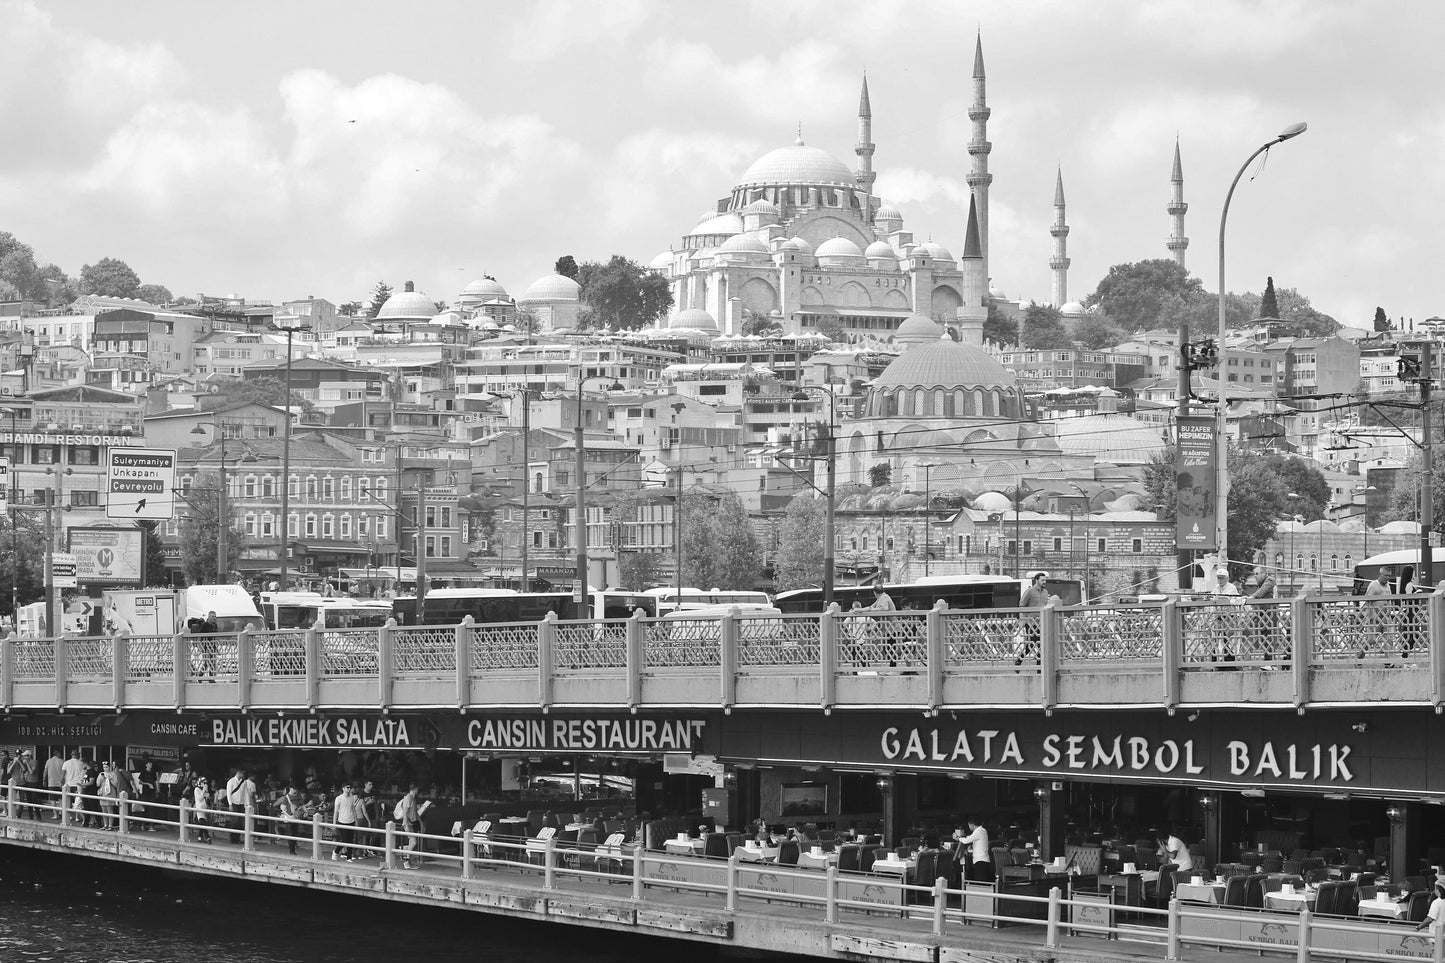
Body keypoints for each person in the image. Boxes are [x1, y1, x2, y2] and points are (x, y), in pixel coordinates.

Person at [1016, 572, 1056, 668]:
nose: (1044, 582)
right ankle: (1021, 660)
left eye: (1045, 580)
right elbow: (1022, 605)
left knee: (1040, 645)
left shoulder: (1045, 592)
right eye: (1042, 580)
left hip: (1042, 622)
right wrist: (1022, 621)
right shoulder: (1030, 591)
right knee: (1033, 644)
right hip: (1030, 623)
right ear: (1036, 580)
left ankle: (1038, 668)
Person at [955, 815, 993, 883]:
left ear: (972, 824)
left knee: (980, 884)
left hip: (981, 861)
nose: (969, 827)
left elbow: (967, 840)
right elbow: (979, 847)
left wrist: (958, 838)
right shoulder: (982, 831)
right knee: (982, 883)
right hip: (983, 860)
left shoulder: (978, 831)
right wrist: (969, 851)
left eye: (969, 825)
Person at [332, 784, 364, 860]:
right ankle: (336, 851)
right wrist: (334, 823)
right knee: (344, 840)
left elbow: (353, 810)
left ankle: (349, 857)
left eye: (350, 787)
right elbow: (336, 812)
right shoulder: (338, 798)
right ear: (343, 788)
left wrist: (356, 821)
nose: (349, 789)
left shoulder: (352, 798)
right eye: (347, 787)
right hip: (342, 821)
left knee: (350, 840)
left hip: (351, 821)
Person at [277, 785, 305, 855]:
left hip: (295, 817)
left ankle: (293, 850)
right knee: (290, 833)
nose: (295, 790)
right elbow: (283, 808)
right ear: (290, 788)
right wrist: (288, 816)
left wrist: (305, 811)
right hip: (289, 818)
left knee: (295, 833)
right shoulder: (286, 797)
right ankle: (291, 851)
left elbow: (302, 805)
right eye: (294, 789)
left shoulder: (298, 796)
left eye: (296, 789)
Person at [43, 750, 64, 820]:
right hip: (60, 783)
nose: (61, 754)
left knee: (53, 800)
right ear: (57, 753)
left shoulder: (48, 761)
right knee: (61, 799)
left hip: (51, 783)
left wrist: (44, 780)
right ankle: (62, 813)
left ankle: (55, 814)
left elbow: (45, 771)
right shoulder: (62, 761)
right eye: (60, 753)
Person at [192, 777, 213, 843]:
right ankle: (208, 838)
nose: (205, 784)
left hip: (204, 808)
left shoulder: (204, 790)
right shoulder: (196, 789)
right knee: (202, 822)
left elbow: (208, 801)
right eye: (204, 783)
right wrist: (203, 791)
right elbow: (199, 799)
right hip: (199, 808)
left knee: (202, 823)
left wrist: (207, 796)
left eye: (206, 783)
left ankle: (200, 837)